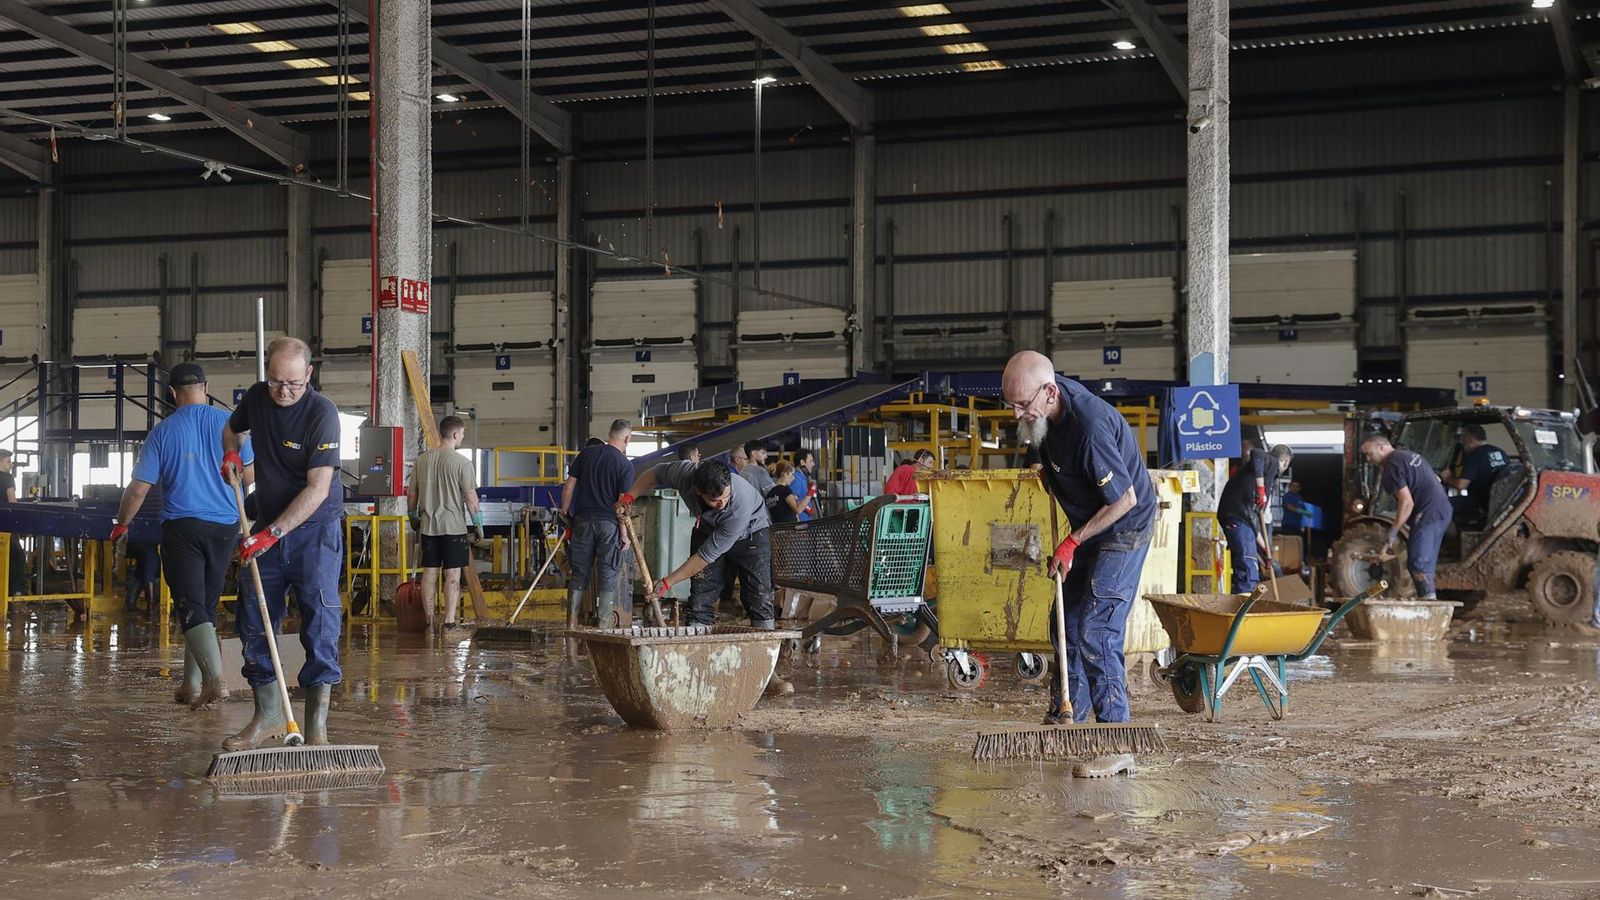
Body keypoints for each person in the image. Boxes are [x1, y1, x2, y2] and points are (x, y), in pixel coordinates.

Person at [1003, 350, 1156, 779]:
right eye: (1010, 404)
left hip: (1123, 526)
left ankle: (1116, 740)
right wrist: (1048, 471)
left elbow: (1123, 499)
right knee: (1063, 624)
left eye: (1023, 405)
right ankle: (1069, 715)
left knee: (1096, 628)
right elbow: (1051, 445)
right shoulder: (1047, 410)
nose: (1017, 414)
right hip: (1089, 522)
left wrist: (1072, 541)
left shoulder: (1089, 427)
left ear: (1050, 392)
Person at [220, 336, 346, 749]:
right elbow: (231, 428)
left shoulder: (321, 413)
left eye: (293, 383)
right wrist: (231, 455)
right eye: (276, 382)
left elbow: (318, 489)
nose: (284, 392)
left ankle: (317, 730)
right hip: (267, 527)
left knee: (320, 620)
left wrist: (270, 535)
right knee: (254, 619)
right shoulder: (258, 399)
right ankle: (268, 714)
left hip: (314, 530)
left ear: (309, 375)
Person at [111, 362, 255, 708]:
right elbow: (249, 477)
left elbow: (138, 489)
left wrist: (121, 523)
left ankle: (215, 679)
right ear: (206, 387)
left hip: (182, 528)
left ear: (172, 393)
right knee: (203, 604)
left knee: (189, 604)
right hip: (225, 527)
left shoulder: (163, 432)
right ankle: (191, 685)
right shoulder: (231, 425)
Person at [622, 458, 791, 696]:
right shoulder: (683, 473)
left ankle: (767, 673)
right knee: (701, 598)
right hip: (708, 529)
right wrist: (630, 496)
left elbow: (705, 557)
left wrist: (668, 582)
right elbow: (655, 474)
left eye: (725, 496)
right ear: (698, 491)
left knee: (758, 598)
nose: (722, 503)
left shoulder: (737, 504)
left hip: (752, 531)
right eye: (715, 499)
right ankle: (697, 667)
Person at [409, 415, 481, 633]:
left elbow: (412, 496)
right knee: (452, 575)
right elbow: (471, 499)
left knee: (429, 574)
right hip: (453, 528)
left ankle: (429, 621)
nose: (463, 437)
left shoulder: (422, 461)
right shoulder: (462, 463)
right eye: (463, 434)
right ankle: (449, 622)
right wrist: (478, 526)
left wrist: (413, 517)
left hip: (428, 526)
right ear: (456, 434)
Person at [560, 418, 635, 628]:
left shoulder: (585, 455)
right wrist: (624, 532)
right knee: (607, 573)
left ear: (610, 433)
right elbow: (621, 505)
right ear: (627, 438)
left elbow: (568, 487)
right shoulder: (624, 464)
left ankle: (572, 623)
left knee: (579, 573)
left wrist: (565, 512)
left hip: (582, 522)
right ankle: (603, 626)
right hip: (609, 525)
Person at [1360, 434, 1451, 601]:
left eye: (1369, 453)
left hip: (1428, 512)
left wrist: (1393, 531)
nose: (1368, 459)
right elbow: (1436, 479)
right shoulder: (1409, 456)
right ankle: (1429, 600)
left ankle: (1428, 605)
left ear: (1382, 447)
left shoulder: (1392, 465)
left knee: (1417, 562)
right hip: (1442, 509)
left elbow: (1407, 502)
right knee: (1425, 562)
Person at [1218, 442, 1292, 594]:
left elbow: (1254, 525)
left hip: (1240, 520)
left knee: (1249, 568)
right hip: (1237, 516)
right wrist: (1260, 488)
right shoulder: (1271, 463)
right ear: (1286, 461)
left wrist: (1266, 549)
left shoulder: (1266, 476)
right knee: (1248, 567)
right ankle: (1244, 614)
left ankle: (1244, 608)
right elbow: (1256, 453)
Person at [1444, 424, 1508, 525]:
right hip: (1499, 500)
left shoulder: (1476, 455)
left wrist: (1447, 477)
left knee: (1440, 505)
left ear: (1469, 438)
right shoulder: (1500, 452)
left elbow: (1461, 485)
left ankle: (1450, 537)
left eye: (1463, 439)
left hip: (1480, 501)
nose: (1462, 443)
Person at [0, 450, 26, 595]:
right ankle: (16, 592)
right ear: (1, 462)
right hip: (5, 524)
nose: (11, 464)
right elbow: (12, 501)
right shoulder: (8, 478)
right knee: (17, 556)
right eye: (8, 461)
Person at [767, 461, 804, 525]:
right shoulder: (784, 490)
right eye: (792, 474)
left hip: (776, 530)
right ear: (784, 474)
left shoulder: (770, 493)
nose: (793, 478)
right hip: (788, 530)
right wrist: (810, 494)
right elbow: (798, 509)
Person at [791, 448, 817, 521]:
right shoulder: (796, 478)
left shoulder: (803, 477)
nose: (813, 464)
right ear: (802, 462)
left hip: (805, 521)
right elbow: (793, 502)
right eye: (811, 461)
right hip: (801, 523)